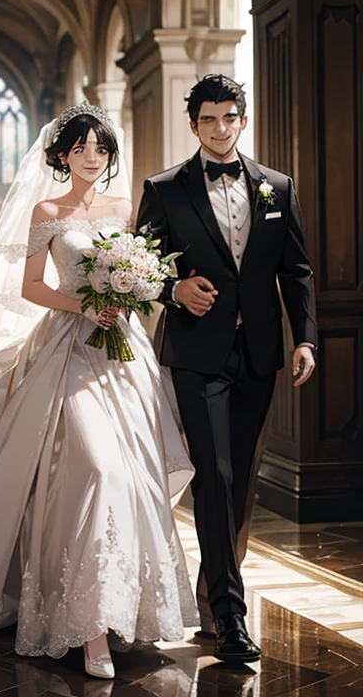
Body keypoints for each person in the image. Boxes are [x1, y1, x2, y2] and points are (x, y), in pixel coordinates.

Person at [0, 103, 197, 680]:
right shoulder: (47, 211)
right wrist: (88, 304)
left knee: (128, 474)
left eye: (100, 149)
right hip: (68, 347)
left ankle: (125, 610)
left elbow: (152, 274)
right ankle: (87, 627)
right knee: (94, 467)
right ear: (60, 156)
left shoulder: (126, 208)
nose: (91, 159)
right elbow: (32, 287)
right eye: (79, 150)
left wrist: (132, 296)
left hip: (123, 351)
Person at [137, 74, 317, 664]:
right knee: (212, 476)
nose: (220, 129)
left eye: (229, 118)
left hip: (261, 354)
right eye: (208, 120)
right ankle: (230, 615)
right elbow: (140, 265)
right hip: (195, 355)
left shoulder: (278, 188)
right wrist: (174, 287)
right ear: (193, 125)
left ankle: (213, 584)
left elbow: (297, 270)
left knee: (239, 480)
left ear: (243, 121)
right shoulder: (166, 190)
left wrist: (305, 339)